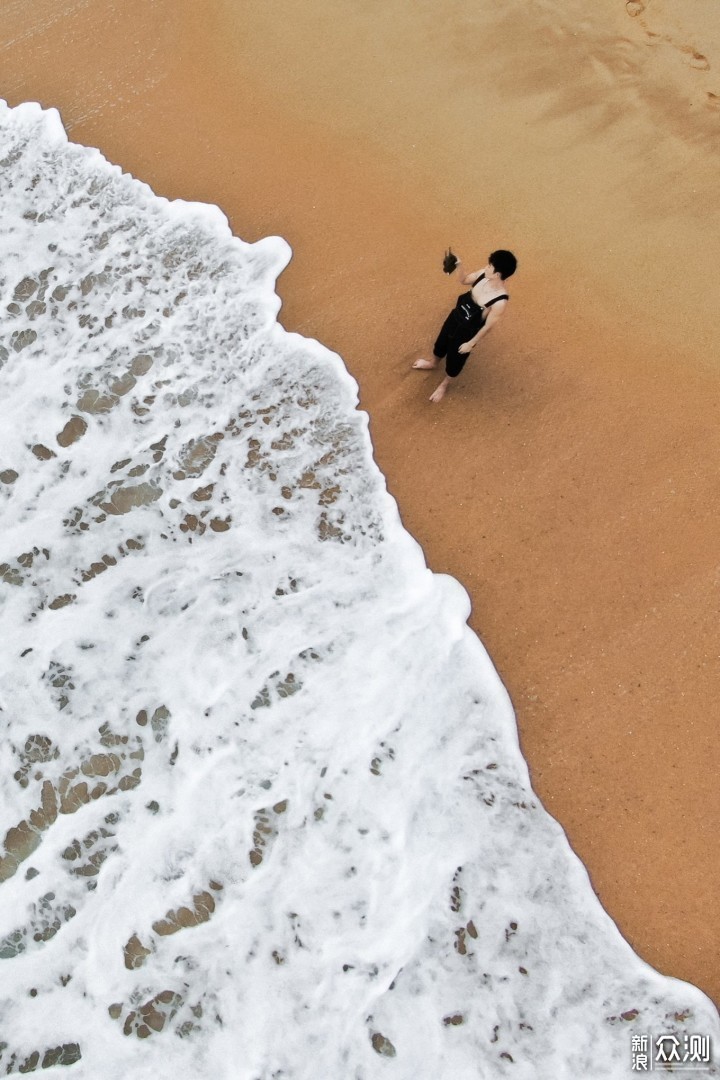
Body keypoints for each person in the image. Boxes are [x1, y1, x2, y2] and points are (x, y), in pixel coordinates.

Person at [413, 249, 517, 403]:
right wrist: (459, 266)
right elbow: (464, 280)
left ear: (497, 274)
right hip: (455, 317)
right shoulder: (483, 274)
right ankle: (433, 363)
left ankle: (444, 384)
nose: (486, 267)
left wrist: (471, 343)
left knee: (456, 360)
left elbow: (488, 326)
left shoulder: (500, 300)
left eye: (490, 266)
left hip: (467, 331)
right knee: (441, 342)